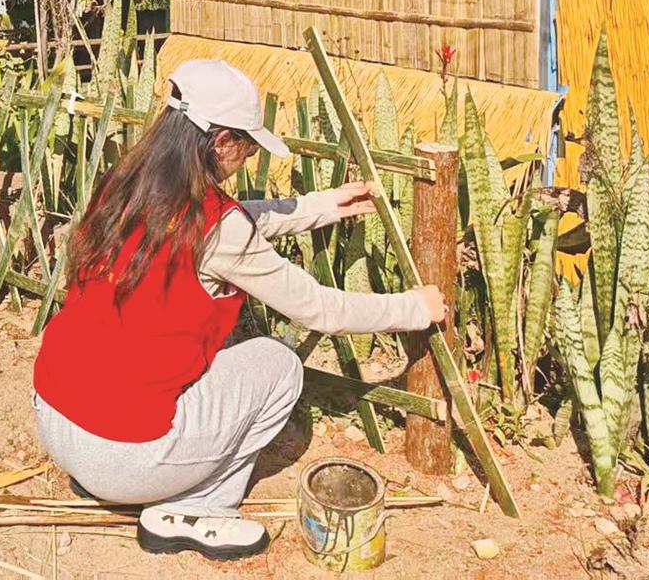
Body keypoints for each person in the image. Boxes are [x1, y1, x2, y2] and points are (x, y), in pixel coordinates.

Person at [32, 59, 445, 561]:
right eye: (248, 147)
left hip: (56, 423)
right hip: (124, 458)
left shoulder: (124, 183)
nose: (247, 158)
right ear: (222, 141)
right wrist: (414, 307)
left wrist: (318, 207)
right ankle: (200, 508)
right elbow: (320, 309)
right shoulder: (216, 226)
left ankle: (125, 483)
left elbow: (227, 226)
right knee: (279, 365)